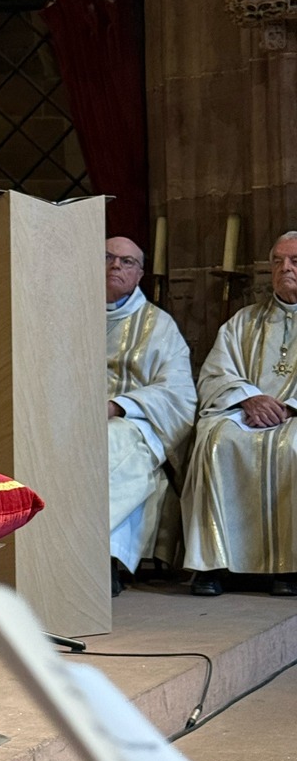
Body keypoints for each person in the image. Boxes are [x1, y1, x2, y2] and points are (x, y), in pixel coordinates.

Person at [181, 231, 297, 597]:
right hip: (244, 413)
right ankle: (212, 564)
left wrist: (288, 406)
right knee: (214, 440)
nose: (285, 268)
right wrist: (248, 398)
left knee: (292, 446)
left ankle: (290, 567)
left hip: (294, 418)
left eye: (294, 261)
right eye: (277, 261)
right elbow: (215, 373)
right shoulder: (242, 322)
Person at [104, 236, 196, 596]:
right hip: (71, 420)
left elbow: (179, 393)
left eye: (127, 262)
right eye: (108, 258)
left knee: (114, 445)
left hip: (138, 421)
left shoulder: (159, 325)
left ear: (140, 273)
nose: (116, 266)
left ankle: (105, 558)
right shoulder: (70, 315)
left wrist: (119, 406)